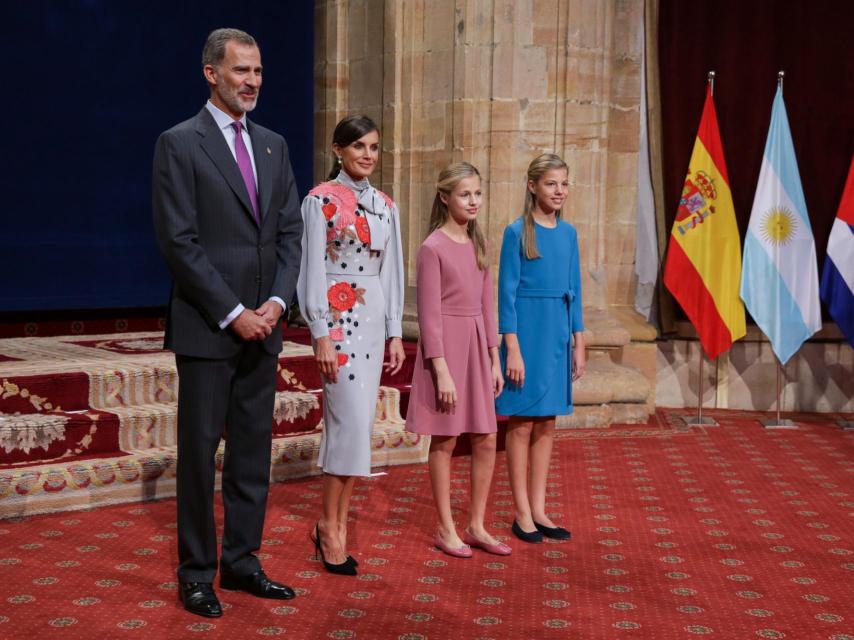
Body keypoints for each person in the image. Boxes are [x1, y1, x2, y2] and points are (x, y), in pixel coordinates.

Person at [152, 28, 302, 617]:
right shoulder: (179, 143)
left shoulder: (274, 144)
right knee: (198, 456)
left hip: (265, 328)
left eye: (259, 71)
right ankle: (196, 572)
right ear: (211, 73)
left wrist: (277, 304)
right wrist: (234, 311)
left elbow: (290, 233)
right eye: (242, 71)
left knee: (251, 455)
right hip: (209, 327)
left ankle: (242, 562)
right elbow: (179, 241)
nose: (253, 81)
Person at [297, 115, 405, 575]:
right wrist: (319, 331)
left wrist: (396, 330)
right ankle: (330, 524)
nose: (368, 155)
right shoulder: (318, 200)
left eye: (374, 147)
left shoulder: (386, 206)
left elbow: (392, 270)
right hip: (338, 321)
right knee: (346, 422)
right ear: (339, 149)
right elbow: (311, 270)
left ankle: (334, 523)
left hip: (373, 320)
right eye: (358, 146)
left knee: (359, 426)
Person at [405, 162, 509, 558]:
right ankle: (445, 527)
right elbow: (429, 317)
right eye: (465, 194)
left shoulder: (478, 244)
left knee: (485, 438)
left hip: (477, 347)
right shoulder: (432, 247)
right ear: (445, 196)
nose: (474, 201)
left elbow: (488, 307)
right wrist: (442, 371)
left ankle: (477, 524)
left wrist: (495, 359)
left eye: (478, 193)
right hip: (446, 352)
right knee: (446, 439)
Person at [496, 153, 586, 544]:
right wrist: (512, 349)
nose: (559, 190)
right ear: (533, 186)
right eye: (551, 183)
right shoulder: (517, 232)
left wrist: (579, 343)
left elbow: (576, 292)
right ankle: (520, 513)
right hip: (526, 334)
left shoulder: (569, 234)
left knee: (548, 422)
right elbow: (506, 295)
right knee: (521, 424)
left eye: (564, 183)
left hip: (557, 333)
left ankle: (539, 508)